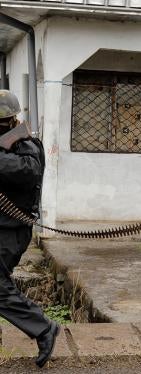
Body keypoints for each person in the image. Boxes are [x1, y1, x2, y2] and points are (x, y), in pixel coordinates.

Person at [0, 90, 59, 368]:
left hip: (12, 230)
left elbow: (30, 171)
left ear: (11, 120)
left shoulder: (26, 143)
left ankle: (44, 328)